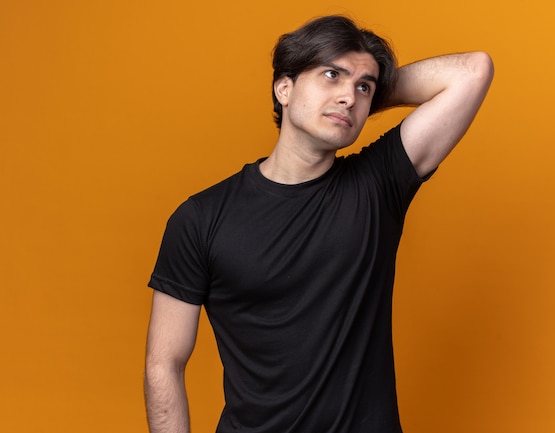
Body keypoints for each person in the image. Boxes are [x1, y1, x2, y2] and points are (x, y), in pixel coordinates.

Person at [144, 15, 493, 433]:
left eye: (363, 87)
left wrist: (361, 92)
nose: (349, 95)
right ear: (284, 87)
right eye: (332, 74)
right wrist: (349, 91)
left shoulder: (378, 184)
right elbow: (164, 363)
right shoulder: (201, 218)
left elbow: (473, 71)